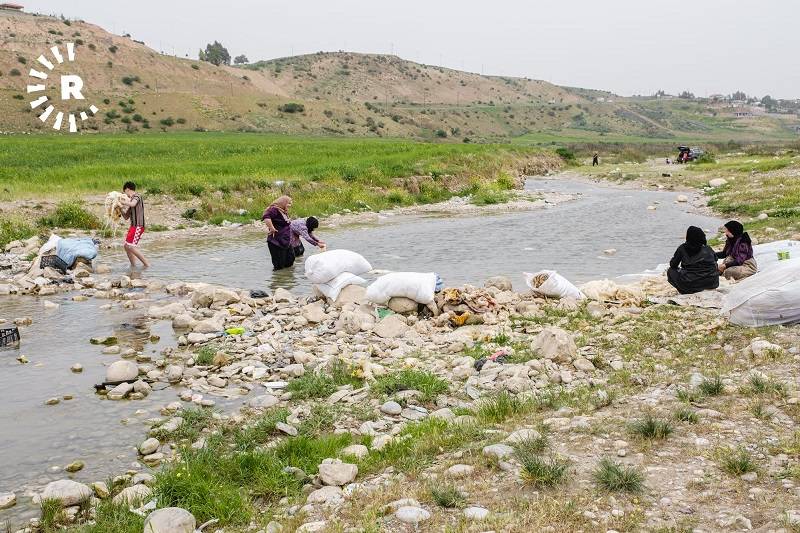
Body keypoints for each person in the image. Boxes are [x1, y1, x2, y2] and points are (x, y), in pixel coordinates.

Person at [666, 226, 719, 294]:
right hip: (711, 283)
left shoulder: (682, 248)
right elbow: (715, 260)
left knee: (671, 271)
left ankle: (685, 290)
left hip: (691, 284)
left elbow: (673, 265)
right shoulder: (708, 248)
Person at [120, 181, 149, 268]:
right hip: (133, 226)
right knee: (126, 246)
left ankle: (147, 265)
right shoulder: (130, 202)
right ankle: (133, 266)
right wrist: (120, 208)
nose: (126, 195)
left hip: (138, 225)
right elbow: (126, 217)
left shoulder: (137, 196)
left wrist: (122, 202)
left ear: (127, 189)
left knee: (130, 246)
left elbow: (133, 204)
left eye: (125, 192)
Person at [262, 195, 295, 270]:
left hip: (285, 241)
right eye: (289, 203)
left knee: (290, 260)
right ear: (283, 202)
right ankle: (278, 277)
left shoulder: (283, 211)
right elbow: (266, 217)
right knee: (279, 265)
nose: (290, 205)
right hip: (276, 242)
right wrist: (272, 228)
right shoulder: (274, 209)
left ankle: (286, 276)